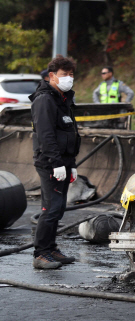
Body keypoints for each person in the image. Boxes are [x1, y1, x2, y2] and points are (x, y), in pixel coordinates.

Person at [29, 55, 81, 269]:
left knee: (58, 209)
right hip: (51, 162)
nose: (69, 78)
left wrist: (72, 163)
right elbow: (46, 135)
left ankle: (51, 248)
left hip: (64, 161)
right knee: (50, 209)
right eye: (64, 75)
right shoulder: (45, 100)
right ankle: (41, 254)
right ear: (52, 76)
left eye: (71, 74)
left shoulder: (64, 99)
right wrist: (56, 163)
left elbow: (70, 132)